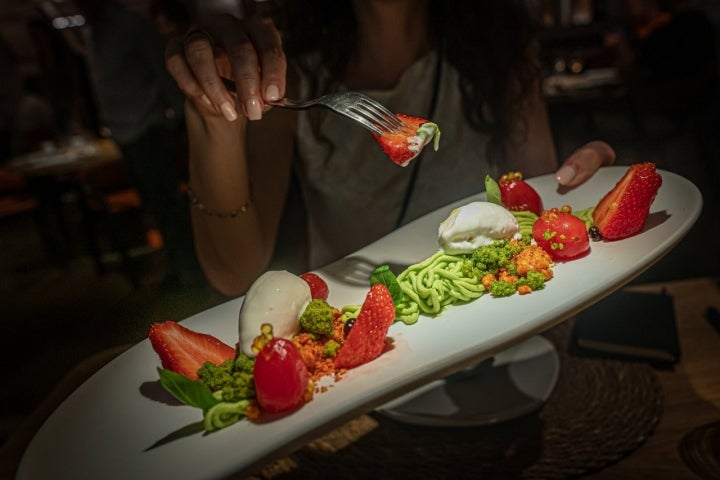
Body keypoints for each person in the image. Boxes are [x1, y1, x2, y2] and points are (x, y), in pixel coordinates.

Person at [165, 0, 616, 297]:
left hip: (494, 325)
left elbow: (537, 218)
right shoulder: (288, 75)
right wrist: (213, 118)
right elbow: (235, 273)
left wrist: (583, 202)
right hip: (359, 352)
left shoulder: (502, 54)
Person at [71, 0, 204, 287]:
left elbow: (162, 69)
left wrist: (182, 122)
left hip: (149, 128)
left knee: (170, 203)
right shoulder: (90, 32)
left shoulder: (130, 24)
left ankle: (195, 270)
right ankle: (179, 265)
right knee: (154, 205)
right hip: (121, 132)